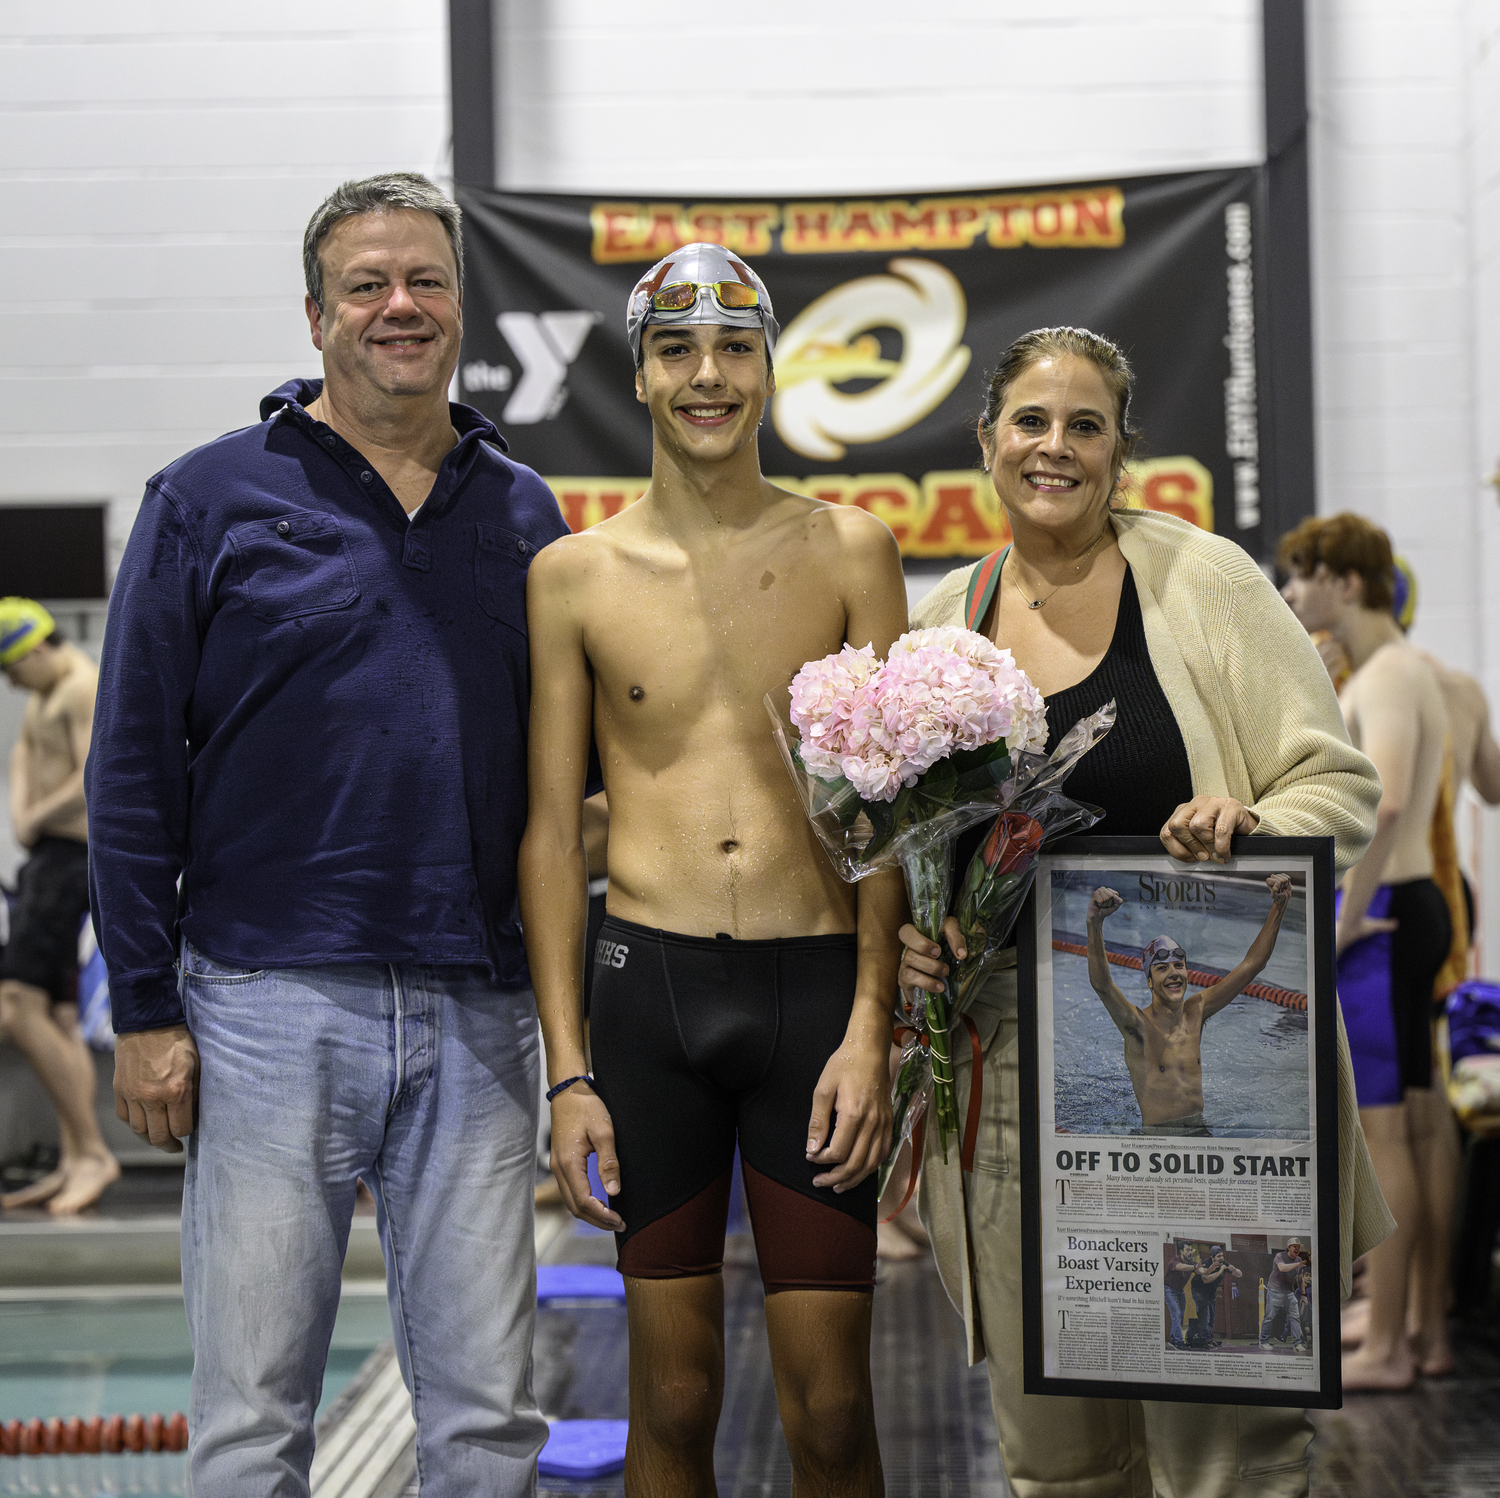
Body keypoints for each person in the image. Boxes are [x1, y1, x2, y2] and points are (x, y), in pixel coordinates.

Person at [86, 173, 565, 1494]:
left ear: (463, 306)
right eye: (367, 284)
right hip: (262, 1005)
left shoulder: (524, 513)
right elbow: (129, 767)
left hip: (478, 1009)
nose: (398, 307)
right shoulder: (205, 499)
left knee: (487, 1424)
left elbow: (563, 773)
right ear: (316, 315)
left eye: (425, 281)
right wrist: (143, 1008)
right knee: (252, 1424)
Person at [897, 326, 1388, 1497]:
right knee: (1056, 1455)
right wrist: (919, 938)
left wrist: (1246, 823)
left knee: (1227, 1450)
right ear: (987, 441)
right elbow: (919, 853)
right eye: (1030, 421)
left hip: (1208, 1102)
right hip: (1009, 1064)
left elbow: (1338, 781)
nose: (1054, 447)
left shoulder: (1203, 581)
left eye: (1085, 426)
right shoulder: (938, 624)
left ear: (1124, 453)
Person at [520, 242, 907, 1495]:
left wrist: (872, 1027)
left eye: (735, 348)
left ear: (768, 367)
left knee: (837, 1407)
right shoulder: (572, 577)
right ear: (638, 373)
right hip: (649, 998)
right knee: (672, 1400)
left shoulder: (853, 550)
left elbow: (890, 814)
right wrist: (568, 1070)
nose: (708, 375)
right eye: (678, 350)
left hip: (813, 1002)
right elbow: (545, 833)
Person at [1279, 513, 1452, 1391]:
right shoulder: (1415, 671)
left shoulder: (1385, 673)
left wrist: (1347, 916)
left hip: (1382, 908)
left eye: (1303, 578)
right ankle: (1419, 1325)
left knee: (1384, 1135)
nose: (1294, 595)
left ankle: (1387, 1343)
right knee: (1419, 1126)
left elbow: (1377, 804)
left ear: (1345, 583)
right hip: (1417, 902)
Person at [0, 600, 119, 1215]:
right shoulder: (48, 693)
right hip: (48, 859)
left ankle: (94, 1153)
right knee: (59, 1018)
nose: (10, 681)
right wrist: (25, 812)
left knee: (17, 1007)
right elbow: (25, 753)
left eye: (11, 668)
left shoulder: (79, 687)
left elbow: (92, 772)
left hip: (69, 862)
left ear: (36, 648)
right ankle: (76, 1156)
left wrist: (32, 816)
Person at [1085, 876, 1293, 1133]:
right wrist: (1094, 922)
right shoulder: (1137, 1026)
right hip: (1157, 1141)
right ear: (1149, 982)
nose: (1173, 973)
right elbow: (1103, 986)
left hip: (1200, 1132)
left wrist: (1279, 906)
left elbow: (1252, 965)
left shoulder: (1196, 1010)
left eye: (1179, 966)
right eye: (1162, 968)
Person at [1191, 1246, 1242, 1348]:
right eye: (1219, 1256)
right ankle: (1205, 1340)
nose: (1221, 1258)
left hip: (1211, 1292)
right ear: (1213, 1257)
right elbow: (1206, 1279)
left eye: (1222, 1255)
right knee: (1205, 1316)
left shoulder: (1224, 1263)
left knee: (1212, 1317)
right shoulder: (1207, 1263)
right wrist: (1220, 1271)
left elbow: (1239, 1274)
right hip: (1199, 1291)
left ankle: (1209, 1339)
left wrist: (1234, 1270)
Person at [1259, 1241, 1306, 1351]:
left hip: (1289, 1292)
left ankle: (1297, 1344)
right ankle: (1263, 1341)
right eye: (1295, 1246)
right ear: (1289, 1247)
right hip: (1274, 1290)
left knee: (1295, 1317)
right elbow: (1282, 1268)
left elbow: (1300, 1278)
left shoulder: (1298, 1260)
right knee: (1269, 1316)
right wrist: (1297, 1265)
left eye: (1298, 1247)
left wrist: (1304, 1294)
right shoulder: (1280, 1256)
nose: (1297, 1249)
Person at [1164, 1246, 1197, 1349]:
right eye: (1187, 1250)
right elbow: (1181, 1267)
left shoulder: (1191, 1263)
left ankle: (1173, 1339)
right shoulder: (1174, 1260)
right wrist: (1195, 1267)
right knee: (1176, 1314)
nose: (1190, 1252)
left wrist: (1210, 1268)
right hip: (1169, 1290)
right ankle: (1178, 1341)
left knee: (1181, 1315)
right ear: (1181, 1251)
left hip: (1180, 1291)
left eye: (1191, 1250)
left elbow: (1201, 1271)